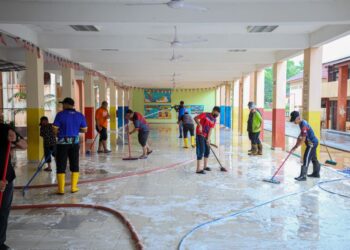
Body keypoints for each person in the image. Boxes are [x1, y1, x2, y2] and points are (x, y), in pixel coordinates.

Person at [0, 123, 27, 250]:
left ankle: (0, 243)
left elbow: (24, 145)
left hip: (6, 179)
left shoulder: (4, 129)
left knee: (3, 212)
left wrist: (15, 138)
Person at [53, 97, 88, 194]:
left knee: (61, 165)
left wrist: (57, 134)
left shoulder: (60, 115)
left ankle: (61, 189)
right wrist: (76, 130)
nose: (62, 106)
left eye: (63, 104)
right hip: (74, 143)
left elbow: (55, 128)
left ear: (67, 104)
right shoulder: (80, 115)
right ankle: (73, 188)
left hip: (62, 144)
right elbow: (85, 130)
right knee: (74, 164)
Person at [290, 111, 321, 181]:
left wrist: (295, 147)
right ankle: (316, 173)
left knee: (306, 158)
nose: (293, 122)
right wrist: (296, 143)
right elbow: (301, 136)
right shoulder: (301, 123)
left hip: (312, 143)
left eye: (294, 120)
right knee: (314, 158)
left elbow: (303, 139)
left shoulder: (303, 124)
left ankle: (303, 176)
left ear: (298, 118)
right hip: (312, 142)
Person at [194, 106, 226, 174]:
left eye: (218, 114)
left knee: (207, 150)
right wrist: (199, 125)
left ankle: (205, 166)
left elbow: (211, 129)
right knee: (201, 150)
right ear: (214, 110)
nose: (217, 115)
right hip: (200, 134)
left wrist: (208, 138)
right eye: (217, 113)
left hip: (206, 136)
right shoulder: (205, 114)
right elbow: (195, 118)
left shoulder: (214, 120)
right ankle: (198, 169)